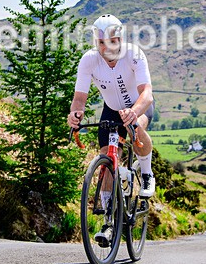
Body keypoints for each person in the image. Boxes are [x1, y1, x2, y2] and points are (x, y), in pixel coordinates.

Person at [67, 14, 156, 246]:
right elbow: (79, 98)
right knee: (107, 157)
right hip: (111, 109)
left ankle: (146, 174)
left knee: (135, 127)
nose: (107, 47)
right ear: (95, 42)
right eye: (101, 43)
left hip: (139, 106)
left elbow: (147, 92)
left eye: (112, 41)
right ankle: (108, 221)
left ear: (120, 38)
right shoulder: (89, 60)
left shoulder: (134, 54)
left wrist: (134, 112)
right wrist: (75, 114)